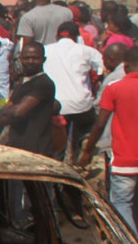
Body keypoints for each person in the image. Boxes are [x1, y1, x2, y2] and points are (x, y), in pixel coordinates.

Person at [77, 47, 138, 244]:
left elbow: (100, 124)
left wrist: (88, 150)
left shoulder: (114, 87)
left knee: (121, 203)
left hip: (124, 158)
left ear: (126, 65)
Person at [43, 21, 105, 155]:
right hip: (81, 104)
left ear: (56, 36)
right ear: (77, 36)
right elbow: (101, 69)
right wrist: (95, 80)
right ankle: (82, 146)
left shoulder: (45, 50)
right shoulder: (87, 51)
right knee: (87, 125)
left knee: (56, 143)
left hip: (54, 105)